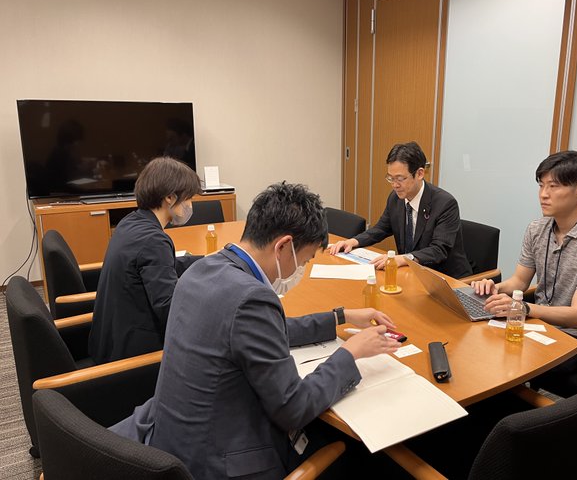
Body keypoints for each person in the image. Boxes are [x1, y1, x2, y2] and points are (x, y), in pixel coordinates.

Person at [110, 182, 400, 480]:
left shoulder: (202, 270)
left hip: (170, 440)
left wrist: (339, 317)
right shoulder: (253, 298)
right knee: (352, 455)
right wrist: (350, 353)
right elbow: (294, 407)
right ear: (283, 246)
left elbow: (258, 331)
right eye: (304, 260)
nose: (300, 270)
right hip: (215, 463)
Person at [472, 150, 577, 371]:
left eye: (553, 186)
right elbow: (519, 282)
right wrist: (495, 288)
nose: (543, 194)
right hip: (535, 323)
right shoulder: (537, 229)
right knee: (478, 339)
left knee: (498, 356)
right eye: (541, 185)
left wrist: (522, 307)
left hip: (576, 338)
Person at [88, 156, 201, 364]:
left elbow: (160, 266)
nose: (190, 205)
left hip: (110, 341)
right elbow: (170, 310)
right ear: (170, 197)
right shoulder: (154, 240)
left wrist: (206, 261)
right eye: (188, 198)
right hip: (132, 360)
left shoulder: (131, 222)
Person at [329, 141, 472, 279]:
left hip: (446, 279)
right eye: (391, 178)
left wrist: (403, 259)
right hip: (411, 274)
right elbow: (381, 228)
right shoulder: (395, 198)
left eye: (400, 178)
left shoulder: (445, 204)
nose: (395, 185)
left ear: (419, 173)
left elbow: (439, 250)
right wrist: (353, 241)